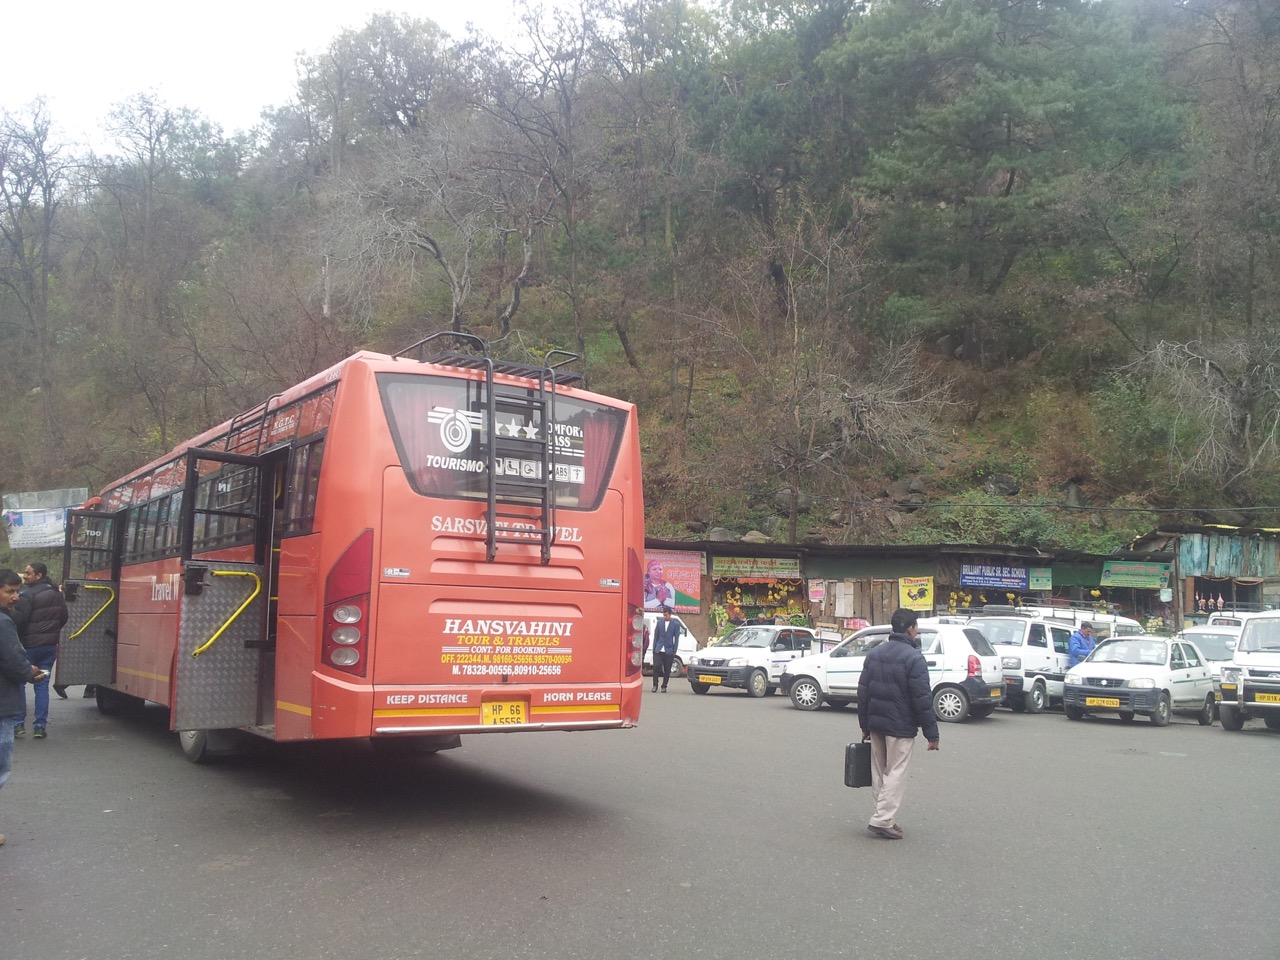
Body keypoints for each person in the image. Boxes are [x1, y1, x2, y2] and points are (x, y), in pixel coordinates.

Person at [856, 607, 939, 840]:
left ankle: (885, 816)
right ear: (911, 629)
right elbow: (922, 699)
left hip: (876, 722)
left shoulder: (875, 654)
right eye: (916, 628)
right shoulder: (914, 658)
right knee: (896, 771)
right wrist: (932, 734)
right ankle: (882, 819)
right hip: (900, 725)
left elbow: (863, 692)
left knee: (880, 772)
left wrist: (864, 724)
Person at [0, 567, 50, 846]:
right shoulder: (3, 623)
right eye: (9, 591)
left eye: (17, 591)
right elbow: (13, 660)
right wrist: (30, 672)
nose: (15, 597)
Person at [10, 562, 69, 738]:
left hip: (28, 646)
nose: (25, 576)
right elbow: (64, 617)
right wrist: (50, 632)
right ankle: (39, 726)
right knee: (42, 686)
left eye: (28, 573)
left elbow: (19, 621)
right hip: (49, 647)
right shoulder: (57, 594)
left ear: (39, 576)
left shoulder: (27, 596)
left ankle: (18, 724)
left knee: (20, 683)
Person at [650, 606, 680, 693]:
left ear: (670, 615)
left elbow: (676, 638)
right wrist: (654, 647)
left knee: (667, 669)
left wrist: (674, 650)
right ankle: (655, 685)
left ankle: (664, 686)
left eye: (666, 615)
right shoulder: (659, 623)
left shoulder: (675, 625)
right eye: (664, 615)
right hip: (658, 649)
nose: (664, 617)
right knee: (656, 667)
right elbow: (656, 636)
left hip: (669, 650)